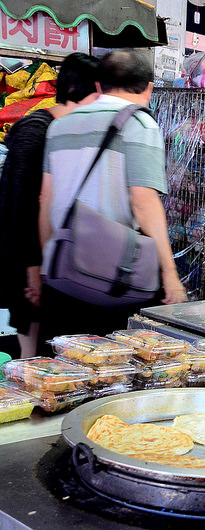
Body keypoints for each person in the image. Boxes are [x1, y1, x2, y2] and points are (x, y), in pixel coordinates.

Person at [38, 49, 187, 340]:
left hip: (63, 275)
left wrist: (51, 260)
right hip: (114, 279)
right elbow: (143, 203)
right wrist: (169, 274)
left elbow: (45, 200)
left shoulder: (59, 126)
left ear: (98, 86)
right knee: (111, 373)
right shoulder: (140, 125)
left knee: (62, 373)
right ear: (149, 88)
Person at [0, 53, 100, 357]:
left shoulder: (66, 132)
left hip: (49, 262)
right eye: (97, 95)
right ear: (75, 92)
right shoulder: (36, 130)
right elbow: (21, 209)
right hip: (27, 259)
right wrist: (34, 273)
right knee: (31, 342)